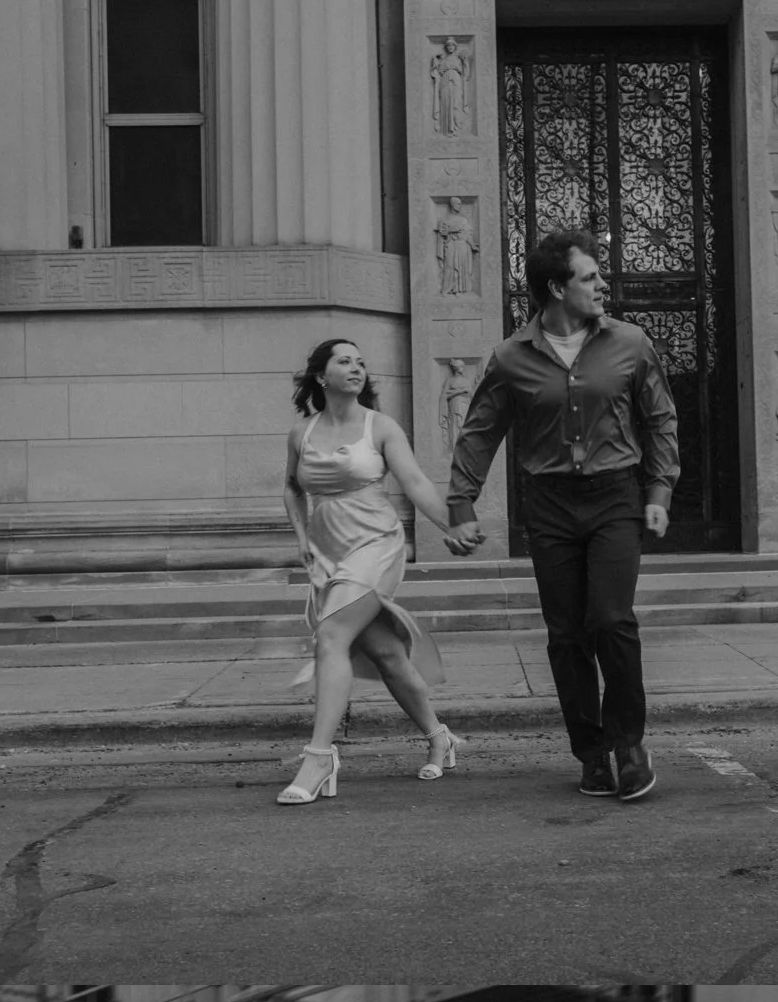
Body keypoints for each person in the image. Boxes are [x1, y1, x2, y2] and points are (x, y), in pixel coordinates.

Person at [443, 227, 678, 801]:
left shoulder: (630, 343)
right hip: (549, 505)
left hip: (615, 497)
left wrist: (659, 491)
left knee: (612, 620)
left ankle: (629, 746)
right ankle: (591, 753)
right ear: (556, 287)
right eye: (589, 277)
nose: (602, 285)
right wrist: (461, 505)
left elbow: (660, 419)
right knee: (567, 635)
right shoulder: (511, 358)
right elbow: (480, 432)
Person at [281, 336, 460, 805]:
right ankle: (439, 737)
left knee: (331, 636)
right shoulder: (302, 433)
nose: (356, 368)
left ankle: (319, 757)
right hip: (328, 550)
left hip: (375, 543)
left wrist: (452, 526)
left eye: (360, 362)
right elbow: (292, 487)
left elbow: (414, 481)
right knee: (385, 652)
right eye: (344, 361)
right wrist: (301, 538)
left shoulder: (380, 426)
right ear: (322, 376)